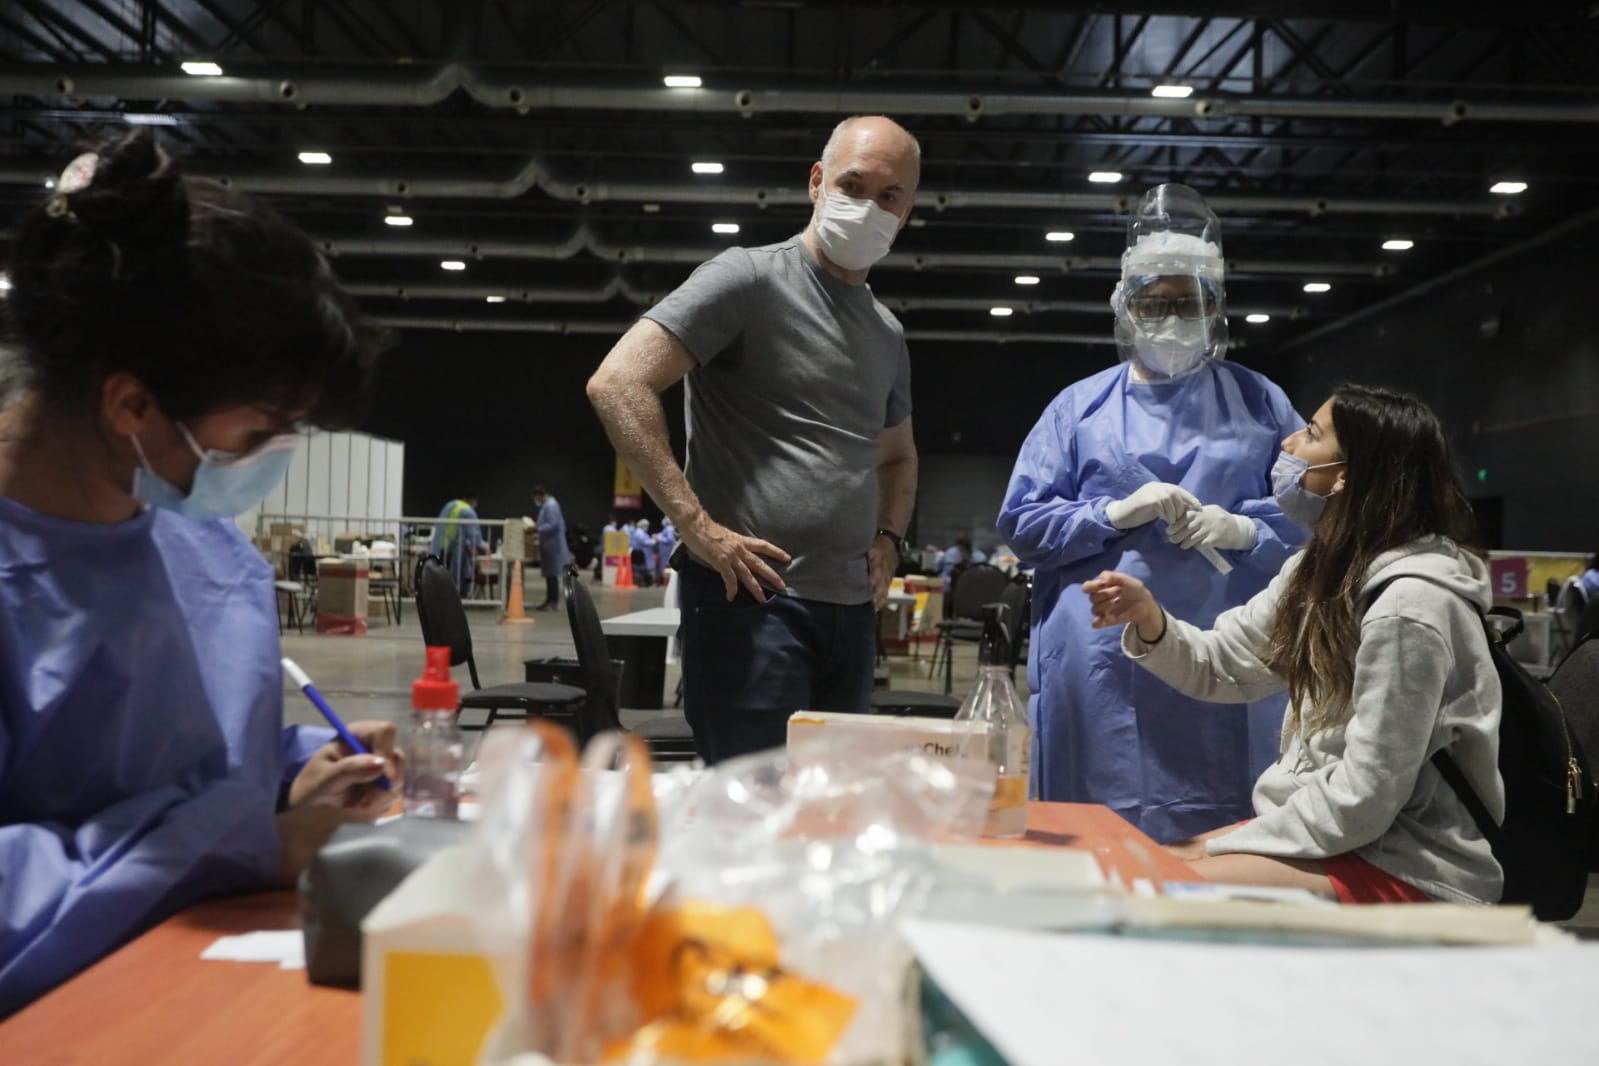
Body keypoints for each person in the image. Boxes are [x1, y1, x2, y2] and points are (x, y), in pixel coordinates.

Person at [0, 130, 398, 1015]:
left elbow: (175, 755)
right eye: (257, 433)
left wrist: (294, 773)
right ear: (131, 404)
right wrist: (240, 840)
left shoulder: (197, 543)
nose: (266, 460)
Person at [1083, 385, 1502, 904]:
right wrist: (1149, 619)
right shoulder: (1318, 571)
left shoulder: (1410, 606)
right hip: (1344, 842)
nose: (1288, 444)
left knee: (1156, 885)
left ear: (1345, 474)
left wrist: (1226, 847)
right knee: (1145, 864)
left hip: (1413, 866)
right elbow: (1224, 666)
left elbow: (1366, 798)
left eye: (1312, 434)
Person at [587, 115, 920, 762]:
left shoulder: (886, 333)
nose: (869, 206)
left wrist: (888, 540)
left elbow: (899, 455)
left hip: (849, 613)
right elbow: (618, 383)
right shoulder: (748, 279)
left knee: (829, 815)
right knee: (749, 815)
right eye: (853, 185)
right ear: (816, 182)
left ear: (905, 212)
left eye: (890, 196)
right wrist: (695, 526)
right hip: (751, 604)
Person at [997, 184, 1307, 843]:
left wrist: (1247, 529)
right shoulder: (1077, 409)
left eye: (1183, 303)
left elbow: (1317, 509)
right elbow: (1022, 524)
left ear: (1214, 306)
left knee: (1227, 834)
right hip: (1102, 656)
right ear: (1125, 307)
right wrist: (1110, 514)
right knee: (1095, 829)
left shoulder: (1259, 403)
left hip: (1231, 645)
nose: (1167, 318)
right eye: (1151, 303)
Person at [429, 493, 483, 598]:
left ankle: (440, 596)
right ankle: (453, 597)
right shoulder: (467, 511)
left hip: (440, 545)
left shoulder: (450, 505)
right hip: (453, 548)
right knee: (453, 576)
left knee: (441, 574)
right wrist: (482, 547)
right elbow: (474, 535)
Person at [531, 485, 568, 610]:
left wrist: (537, 529)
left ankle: (553, 602)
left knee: (552, 575)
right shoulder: (546, 505)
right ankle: (549, 600)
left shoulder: (551, 505)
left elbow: (553, 524)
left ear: (541, 495)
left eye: (536, 498)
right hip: (548, 544)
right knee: (549, 575)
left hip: (553, 545)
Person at [630, 517, 657, 588]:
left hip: (639, 552)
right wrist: (653, 541)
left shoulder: (640, 532)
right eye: (646, 526)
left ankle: (640, 583)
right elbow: (644, 542)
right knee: (640, 568)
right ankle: (640, 583)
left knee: (639, 568)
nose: (647, 527)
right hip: (638, 553)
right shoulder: (639, 532)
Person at [655, 516, 677, 583]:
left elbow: (669, 539)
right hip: (664, 551)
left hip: (666, 551)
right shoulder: (667, 528)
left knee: (666, 566)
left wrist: (659, 538)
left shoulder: (669, 529)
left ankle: (666, 581)